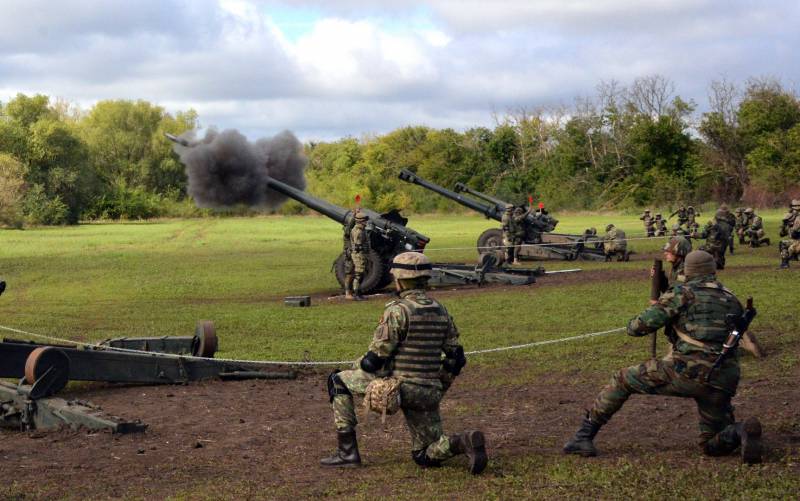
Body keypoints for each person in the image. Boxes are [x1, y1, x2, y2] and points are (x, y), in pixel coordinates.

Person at [563, 251, 762, 464]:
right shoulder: (731, 298)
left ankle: (583, 436)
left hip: (687, 371)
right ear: (712, 269)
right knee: (711, 445)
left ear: (687, 270)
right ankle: (739, 431)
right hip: (723, 377)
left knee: (622, 379)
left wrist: (656, 305)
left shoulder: (681, 293)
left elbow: (637, 327)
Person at [320, 252, 488, 474]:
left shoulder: (398, 310)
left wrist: (358, 365)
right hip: (429, 391)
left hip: (400, 390)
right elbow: (457, 358)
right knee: (424, 454)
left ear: (399, 279)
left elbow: (374, 360)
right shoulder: (440, 310)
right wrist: (438, 384)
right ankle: (461, 442)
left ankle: (347, 453)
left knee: (337, 380)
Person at [347, 210, 370, 300]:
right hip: (358, 254)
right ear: (360, 221)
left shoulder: (361, 230)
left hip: (361, 253)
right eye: (364, 220)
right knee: (359, 274)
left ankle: (359, 293)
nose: (366, 222)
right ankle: (356, 294)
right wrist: (365, 249)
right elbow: (358, 245)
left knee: (361, 273)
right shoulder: (358, 231)